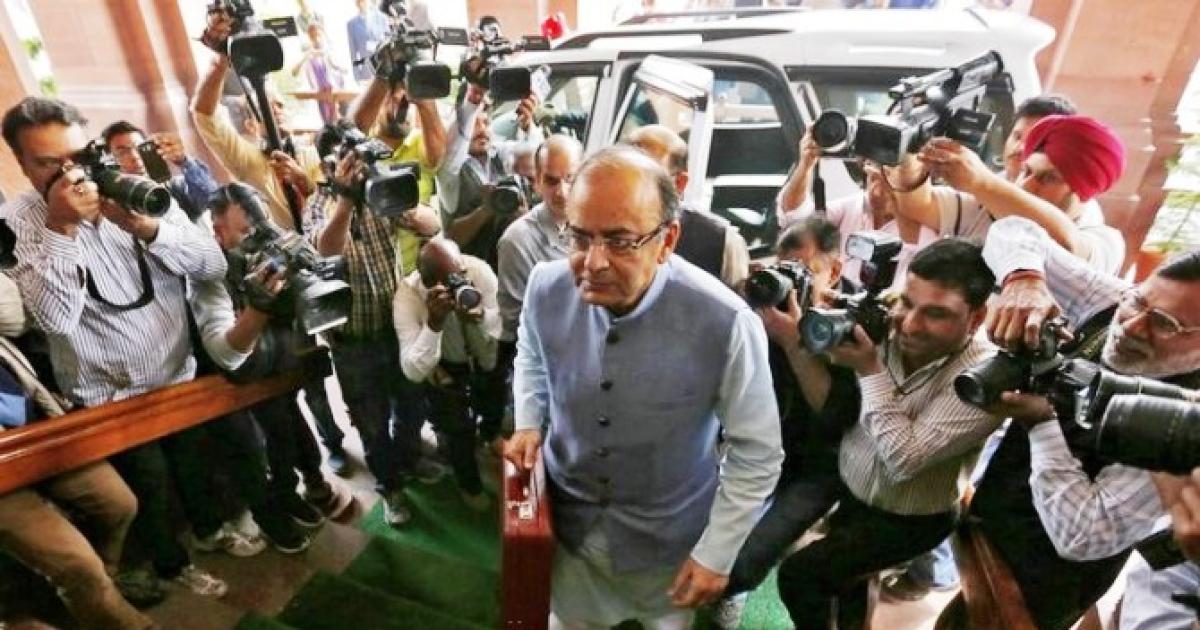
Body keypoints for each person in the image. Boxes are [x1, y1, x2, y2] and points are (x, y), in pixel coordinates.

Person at [504, 146, 782, 629]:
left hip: (669, 547)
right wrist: (530, 419)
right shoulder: (544, 286)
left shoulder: (726, 322)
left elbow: (757, 452)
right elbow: (531, 351)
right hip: (570, 531)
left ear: (667, 239)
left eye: (619, 241)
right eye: (580, 236)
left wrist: (716, 553)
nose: (593, 262)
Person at [1, 96, 229, 599]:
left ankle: (212, 531)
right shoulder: (16, 223)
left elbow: (214, 266)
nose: (71, 174)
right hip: (110, 396)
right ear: (22, 164)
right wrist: (61, 227)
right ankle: (171, 563)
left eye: (77, 156)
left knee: (194, 468)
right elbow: (55, 319)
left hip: (178, 377)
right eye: (49, 164)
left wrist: (147, 228)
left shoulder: (132, 188)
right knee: (149, 490)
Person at [962, 218, 1200, 629]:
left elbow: (1086, 535)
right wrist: (1023, 279)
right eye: (1138, 301)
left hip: (1042, 585)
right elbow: (1014, 230)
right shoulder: (1109, 301)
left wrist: (1042, 424)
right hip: (987, 523)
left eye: (1166, 324)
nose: (1132, 326)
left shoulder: (1184, 425)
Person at [775, 238, 1002, 630]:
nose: (910, 325)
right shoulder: (883, 320)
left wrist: (870, 369)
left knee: (800, 576)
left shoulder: (984, 378)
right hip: (853, 492)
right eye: (908, 303)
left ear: (977, 317)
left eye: (936, 314)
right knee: (848, 589)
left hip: (910, 520)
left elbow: (903, 459)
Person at [711, 217, 863, 629]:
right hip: (759, 447)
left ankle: (735, 589)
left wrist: (794, 342)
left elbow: (836, 416)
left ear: (834, 270)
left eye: (803, 271)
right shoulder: (764, 303)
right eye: (785, 270)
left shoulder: (851, 319)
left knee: (745, 561)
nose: (790, 285)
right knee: (701, 533)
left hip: (818, 465)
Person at [0, 274, 153, 629]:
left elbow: (12, 315)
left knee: (118, 504)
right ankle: (97, 597)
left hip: (36, 435)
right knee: (78, 565)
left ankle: (95, 590)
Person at [305, 138, 443, 525]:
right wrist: (345, 201)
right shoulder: (317, 203)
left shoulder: (381, 192)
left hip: (398, 327)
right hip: (353, 340)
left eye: (359, 161)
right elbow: (325, 251)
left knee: (412, 404)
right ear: (328, 164)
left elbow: (432, 224)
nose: (356, 169)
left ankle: (410, 459)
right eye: (347, 162)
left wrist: (405, 206)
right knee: (370, 422)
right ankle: (390, 488)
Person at [208, 183, 355, 528]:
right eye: (247, 231)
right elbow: (228, 344)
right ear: (219, 231)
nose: (259, 237)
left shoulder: (275, 245)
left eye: (262, 224)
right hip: (246, 371)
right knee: (276, 429)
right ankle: (286, 494)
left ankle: (313, 480)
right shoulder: (211, 268)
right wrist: (258, 298)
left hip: (286, 357)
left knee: (290, 416)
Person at [892, 112, 1126, 275]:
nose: (1026, 186)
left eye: (1048, 178)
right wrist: (910, 150)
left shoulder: (1106, 242)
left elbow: (1065, 246)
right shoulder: (990, 208)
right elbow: (918, 205)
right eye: (1027, 171)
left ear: (1082, 192)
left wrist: (982, 182)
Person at [394, 238, 501, 511]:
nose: (457, 284)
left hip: (486, 358)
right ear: (428, 282)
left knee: (494, 402)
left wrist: (481, 317)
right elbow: (412, 371)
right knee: (457, 431)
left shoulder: (477, 270)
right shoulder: (407, 296)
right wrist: (434, 324)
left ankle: (491, 434)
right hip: (447, 370)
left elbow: (504, 323)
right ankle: (469, 484)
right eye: (447, 281)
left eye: (458, 275)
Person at [193, 8, 321, 231]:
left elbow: (333, 201)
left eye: (279, 105)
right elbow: (204, 115)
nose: (276, 111)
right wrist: (221, 61)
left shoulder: (311, 153)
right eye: (266, 108)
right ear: (251, 125)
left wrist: (303, 181)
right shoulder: (249, 161)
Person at [775, 128, 936, 288]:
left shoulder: (928, 226)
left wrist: (897, 197)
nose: (877, 190)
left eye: (888, 180)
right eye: (873, 178)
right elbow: (794, 218)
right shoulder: (850, 208)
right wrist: (806, 164)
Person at [495, 135, 583, 400]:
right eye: (552, 181)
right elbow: (516, 324)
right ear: (536, 183)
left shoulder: (602, 225)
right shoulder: (518, 241)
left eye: (570, 179)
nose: (562, 192)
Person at [627, 124, 750, 289]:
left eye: (648, 177)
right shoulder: (596, 228)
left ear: (679, 183)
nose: (632, 187)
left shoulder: (721, 242)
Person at [439, 82, 542, 267]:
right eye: (474, 124)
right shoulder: (451, 173)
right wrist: (487, 209)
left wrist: (528, 125)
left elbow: (535, 156)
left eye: (485, 122)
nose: (482, 130)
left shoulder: (500, 154)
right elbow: (451, 238)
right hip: (471, 271)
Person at [100, 121, 220, 222]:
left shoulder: (175, 188)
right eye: (123, 152)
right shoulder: (114, 208)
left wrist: (184, 161)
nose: (135, 156)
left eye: (139, 148)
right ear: (109, 162)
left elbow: (211, 198)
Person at [291, 23, 349, 126]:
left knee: (342, 121)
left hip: (336, 93)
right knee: (328, 123)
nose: (316, 38)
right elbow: (294, 73)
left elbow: (341, 68)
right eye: (312, 36)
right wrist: (306, 57)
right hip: (321, 95)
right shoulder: (308, 54)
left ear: (322, 34)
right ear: (309, 37)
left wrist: (333, 61)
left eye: (318, 35)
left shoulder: (330, 50)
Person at [346, 0, 389, 83]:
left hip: (384, 68)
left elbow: (388, 42)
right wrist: (357, 75)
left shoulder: (382, 18)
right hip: (367, 72)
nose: (362, 3)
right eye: (359, 1)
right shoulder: (351, 24)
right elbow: (353, 53)